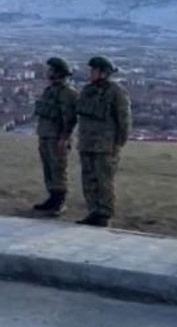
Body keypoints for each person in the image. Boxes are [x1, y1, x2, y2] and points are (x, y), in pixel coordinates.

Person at [74, 56, 132, 227]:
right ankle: (93, 211)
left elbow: (124, 120)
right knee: (88, 179)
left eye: (94, 70)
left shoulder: (116, 92)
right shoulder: (87, 91)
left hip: (105, 146)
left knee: (104, 180)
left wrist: (118, 143)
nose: (90, 73)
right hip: (87, 144)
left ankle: (104, 214)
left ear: (104, 73)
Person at [32, 57, 78, 215]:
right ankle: (52, 198)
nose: (48, 72)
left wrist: (64, 138)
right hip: (46, 135)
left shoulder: (68, 93)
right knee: (49, 168)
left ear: (58, 73)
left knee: (58, 169)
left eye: (51, 70)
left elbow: (70, 118)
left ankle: (59, 202)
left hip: (57, 138)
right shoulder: (50, 90)